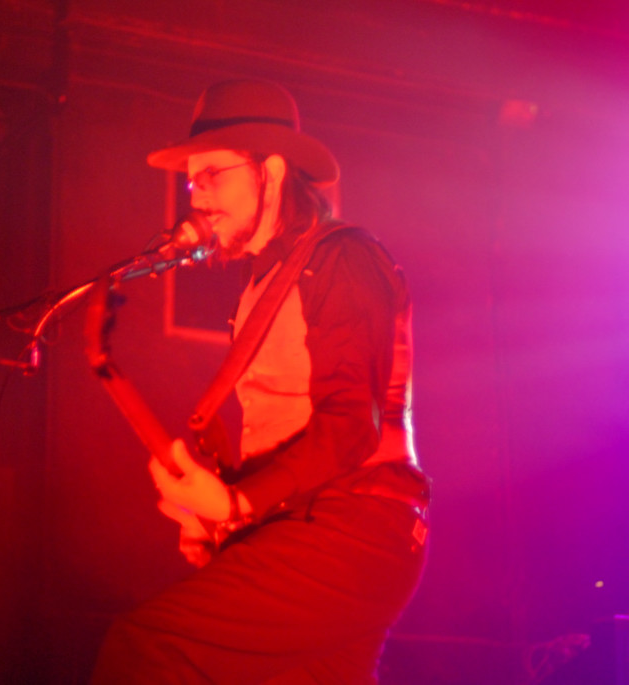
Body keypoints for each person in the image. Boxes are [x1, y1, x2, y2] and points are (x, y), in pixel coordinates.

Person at [90, 79, 430, 684]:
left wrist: (236, 503)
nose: (198, 197)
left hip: (355, 527)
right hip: (313, 526)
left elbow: (352, 425)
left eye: (212, 175)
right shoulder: (262, 284)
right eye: (192, 183)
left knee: (146, 647)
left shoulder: (344, 258)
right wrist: (225, 516)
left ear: (270, 171)